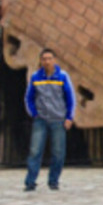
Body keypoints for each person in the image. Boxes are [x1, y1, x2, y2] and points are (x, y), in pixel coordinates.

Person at [23, 48, 75, 192]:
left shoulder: (63, 76)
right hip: (41, 120)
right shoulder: (35, 77)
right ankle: (30, 182)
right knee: (35, 151)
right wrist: (34, 113)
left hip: (58, 119)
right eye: (44, 59)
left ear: (54, 60)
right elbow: (29, 98)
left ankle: (53, 181)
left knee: (58, 152)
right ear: (40, 61)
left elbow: (70, 98)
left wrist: (69, 117)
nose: (47, 61)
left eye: (49, 58)